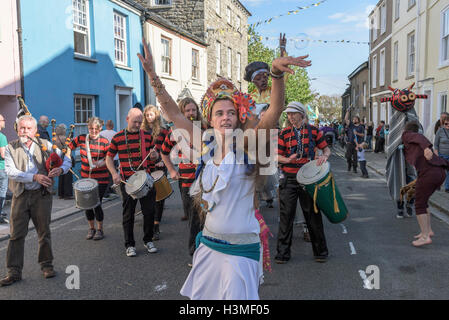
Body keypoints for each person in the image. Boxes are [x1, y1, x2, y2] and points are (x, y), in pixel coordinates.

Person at [138, 37, 311, 299]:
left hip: (242, 250)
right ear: (211, 118)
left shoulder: (249, 145)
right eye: (219, 113)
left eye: (231, 112)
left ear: (239, 116)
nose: (226, 116)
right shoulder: (204, 145)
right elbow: (173, 113)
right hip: (209, 245)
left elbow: (274, 111)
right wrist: (152, 75)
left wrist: (275, 74)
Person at [1, 115, 71, 286]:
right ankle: (14, 272)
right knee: (16, 235)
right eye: (21, 128)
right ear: (17, 129)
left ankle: (47, 266)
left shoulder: (47, 145)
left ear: (35, 130)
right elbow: (11, 171)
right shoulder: (10, 147)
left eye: (27, 128)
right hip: (20, 195)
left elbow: (67, 159)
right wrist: (35, 177)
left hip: (42, 195)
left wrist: (60, 170)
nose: (24, 131)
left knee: (44, 232)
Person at [276, 102, 331, 264]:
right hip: (290, 179)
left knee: (313, 216)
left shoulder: (314, 131)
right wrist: (287, 159)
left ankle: (320, 252)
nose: (290, 117)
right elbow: (277, 156)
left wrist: (324, 156)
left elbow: (326, 149)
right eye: (288, 114)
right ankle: (282, 254)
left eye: (293, 113)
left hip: (308, 180)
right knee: (286, 217)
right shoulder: (284, 133)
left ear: (302, 114)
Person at [106, 108, 159, 257]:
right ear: (127, 119)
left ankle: (148, 240)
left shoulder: (147, 137)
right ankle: (129, 245)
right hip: (127, 181)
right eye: (135, 121)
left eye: (139, 122)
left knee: (149, 212)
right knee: (128, 215)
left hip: (145, 179)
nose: (137, 124)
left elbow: (153, 157)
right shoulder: (117, 138)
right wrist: (114, 173)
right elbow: (109, 158)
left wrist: (155, 156)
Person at [161, 97, 204, 256]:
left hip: (205, 181)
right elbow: (164, 153)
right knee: (193, 219)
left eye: (193, 110)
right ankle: (195, 252)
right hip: (186, 183)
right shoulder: (175, 133)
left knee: (205, 219)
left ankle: (202, 252)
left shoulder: (204, 128)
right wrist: (172, 170)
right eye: (187, 111)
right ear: (182, 112)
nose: (191, 113)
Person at [401, 121, 449, 247]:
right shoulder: (414, 143)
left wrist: (427, 147)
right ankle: (428, 231)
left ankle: (425, 236)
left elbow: (420, 138)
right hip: (439, 172)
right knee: (424, 200)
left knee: (419, 203)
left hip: (429, 173)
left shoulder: (407, 135)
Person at [68, 117, 110, 240]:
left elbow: (110, 158)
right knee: (86, 204)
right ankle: (91, 228)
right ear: (88, 128)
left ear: (100, 128)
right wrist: (67, 158)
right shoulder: (81, 138)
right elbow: (69, 147)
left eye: (96, 129)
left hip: (101, 179)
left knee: (96, 203)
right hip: (86, 177)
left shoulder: (105, 141)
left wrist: (101, 163)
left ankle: (100, 229)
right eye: (91, 128)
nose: (93, 131)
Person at [142, 105, 170, 241]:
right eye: (147, 115)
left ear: (156, 115)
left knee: (159, 197)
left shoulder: (164, 131)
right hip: (147, 168)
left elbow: (170, 149)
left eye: (151, 115)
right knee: (148, 197)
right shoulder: (142, 132)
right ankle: (149, 222)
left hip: (160, 166)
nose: (149, 117)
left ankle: (156, 226)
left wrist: (164, 161)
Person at [55, 124, 73, 200]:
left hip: (59, 158)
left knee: (61, 176)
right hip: (66, 157)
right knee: (68, 177)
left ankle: (61, 194)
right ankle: (67, 194)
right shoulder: (65, 138)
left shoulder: (55, 138)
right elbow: (71, 147)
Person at [100, 120, 118, 198]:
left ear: (106, 125)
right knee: (113, 174)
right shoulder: (116, 134)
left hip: (104, 158)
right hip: (114, 157)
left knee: (105, 175)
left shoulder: (101, 134)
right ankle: (112, 190)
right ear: (112, 126)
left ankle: (106, 192)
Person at [344, 108, 365, 172]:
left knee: (355, 158)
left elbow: (363, 135)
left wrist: (357, 133)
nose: (354, 120)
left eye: (355, 119)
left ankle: (355, 168)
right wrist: (347, 111)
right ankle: (349, 164)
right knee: (348, 156)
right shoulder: (351, 125)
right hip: (350, 143)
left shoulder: (361, 127)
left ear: (358, 120)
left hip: (357, 144)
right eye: (353, 119)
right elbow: (346, 119)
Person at [434, 118, 449, 192]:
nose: (448, 125)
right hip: (441, 155)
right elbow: (436, 144)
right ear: (443, 124)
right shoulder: (440, 131)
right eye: (446, 123)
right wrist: (436, 154)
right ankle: (438, 185)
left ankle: (447, 187)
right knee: (441, 171)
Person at [0, 114, 8, 224]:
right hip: (1, 168)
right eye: (3, 119)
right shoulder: (2, 137)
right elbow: (3, 154)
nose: (4, 121)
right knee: (2, 191)